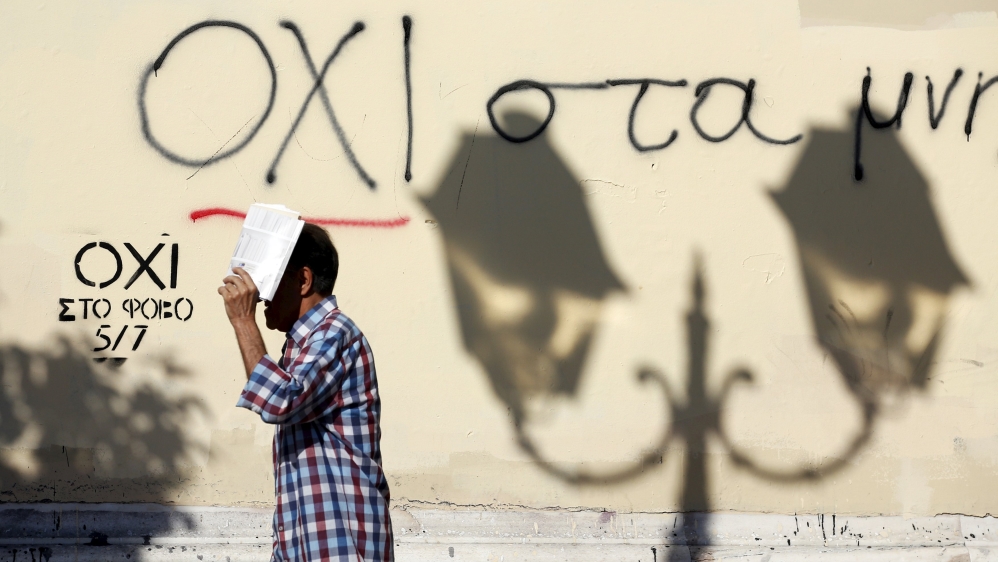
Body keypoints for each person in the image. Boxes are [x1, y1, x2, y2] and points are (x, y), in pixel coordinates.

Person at [218, 223, 393, 562]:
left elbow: (282, 400)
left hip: (342, 546)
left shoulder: (335, 334)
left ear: (303, 280)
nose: (259, 295)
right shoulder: (301, 346)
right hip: (305, 544)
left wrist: (243, 321)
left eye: (266, 281)